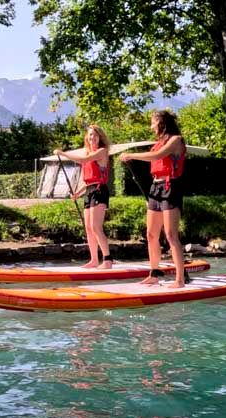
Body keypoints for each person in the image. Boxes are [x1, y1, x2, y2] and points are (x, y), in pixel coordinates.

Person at [120, 109, 187, 287]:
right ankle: (154, 274)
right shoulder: (158, 143)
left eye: (153, 122)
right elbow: (155, 160)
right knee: (151, 234)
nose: (151, 126)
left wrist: (132, 154)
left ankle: (180, 280)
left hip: (170, 187)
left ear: (161, 123)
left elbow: (158, 156)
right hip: (155, 188)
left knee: (171, 235)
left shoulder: (175, 140)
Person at [54, 124, 113, 269]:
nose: (92, 137)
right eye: (90, 135)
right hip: (89, 190)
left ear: (100, 137)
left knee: (96, 227)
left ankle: (107, 260)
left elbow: (83, 161)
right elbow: (88, 180)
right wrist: (77, 193)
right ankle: (93, 259)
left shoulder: (102, 151)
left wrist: (63, 153)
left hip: (100, 190)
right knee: (88, 227)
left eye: (95, 135)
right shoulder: (87, 154)